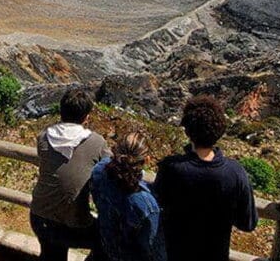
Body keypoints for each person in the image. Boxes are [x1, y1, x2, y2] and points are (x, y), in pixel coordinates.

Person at [152, 96, 258, 261]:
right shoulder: (235, 172)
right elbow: (248, 223)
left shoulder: (171, 168)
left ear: (188, 131)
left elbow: (157, 205)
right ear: (219, 130)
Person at [30, 89, 110, 261]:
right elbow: (110, 166)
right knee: (108, 240)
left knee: (52, 255)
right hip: (74, 224)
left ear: (61, 111)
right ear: (87, 117)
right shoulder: (96, 142)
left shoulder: (43, 137)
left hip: (39, 217)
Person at [91, 133, 166, 261]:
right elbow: (153, 249)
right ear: (147, 160)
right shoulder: (147, 204)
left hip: (104, 245)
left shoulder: (99, 171)